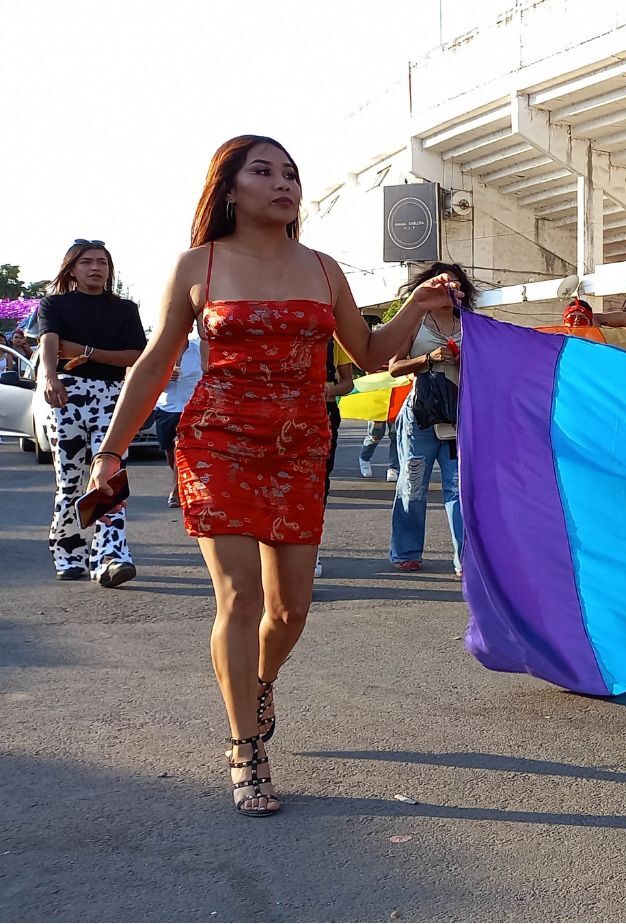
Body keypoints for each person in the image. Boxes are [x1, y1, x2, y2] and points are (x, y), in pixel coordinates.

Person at [85, 135, 452, 817]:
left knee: (289, 612)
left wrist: (415, 309)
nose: (283, 183)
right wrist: (109, 454)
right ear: (228, 189)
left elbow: (367, 352)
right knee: (240, 599)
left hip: (298, 445)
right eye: (264, 171)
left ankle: (259, 681)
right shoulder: (200, 264)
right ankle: (245, 748)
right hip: (217, 440)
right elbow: (158, 360)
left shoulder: (322, 269)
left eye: (291, 173)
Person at [36, 240, 147, 585]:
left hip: (114, 397)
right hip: (67, 395)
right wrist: (51, 376)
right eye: (87, 262)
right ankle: (67, 550)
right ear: (72, 268)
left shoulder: (125, 309)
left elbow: (135, 356)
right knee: (70, 482)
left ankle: (110, 557)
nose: (96, 268)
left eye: (102, 262)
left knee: (110, 479)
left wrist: (87, 351)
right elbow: (50, 343)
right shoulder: (54, 304)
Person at [386, 262, 469, 577]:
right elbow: (394, 368)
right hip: (419, 415)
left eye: (455, 285)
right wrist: (427, 359)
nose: (449, 290)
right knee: (412, 484)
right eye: (442, 284)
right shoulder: (415, 322)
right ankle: (406, 552)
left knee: (459, 488)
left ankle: (465, 560)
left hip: (458, 417)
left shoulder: (471, 324)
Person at [314, 345, 355, 578]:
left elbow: (348, 383)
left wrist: (329, 389)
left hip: (324, 414)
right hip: (282, 412)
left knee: (319, 486)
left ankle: (311, 549)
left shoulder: (334, 339)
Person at [153, 333, 204, 508]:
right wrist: (164, 377)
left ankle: (176, 490)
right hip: (166, 408)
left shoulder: (199, 351)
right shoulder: (160, 352)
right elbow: (143, 377)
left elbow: (208, 375)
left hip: (190, 408)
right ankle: (180, 478)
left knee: (179, 447)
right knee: (169, 450)